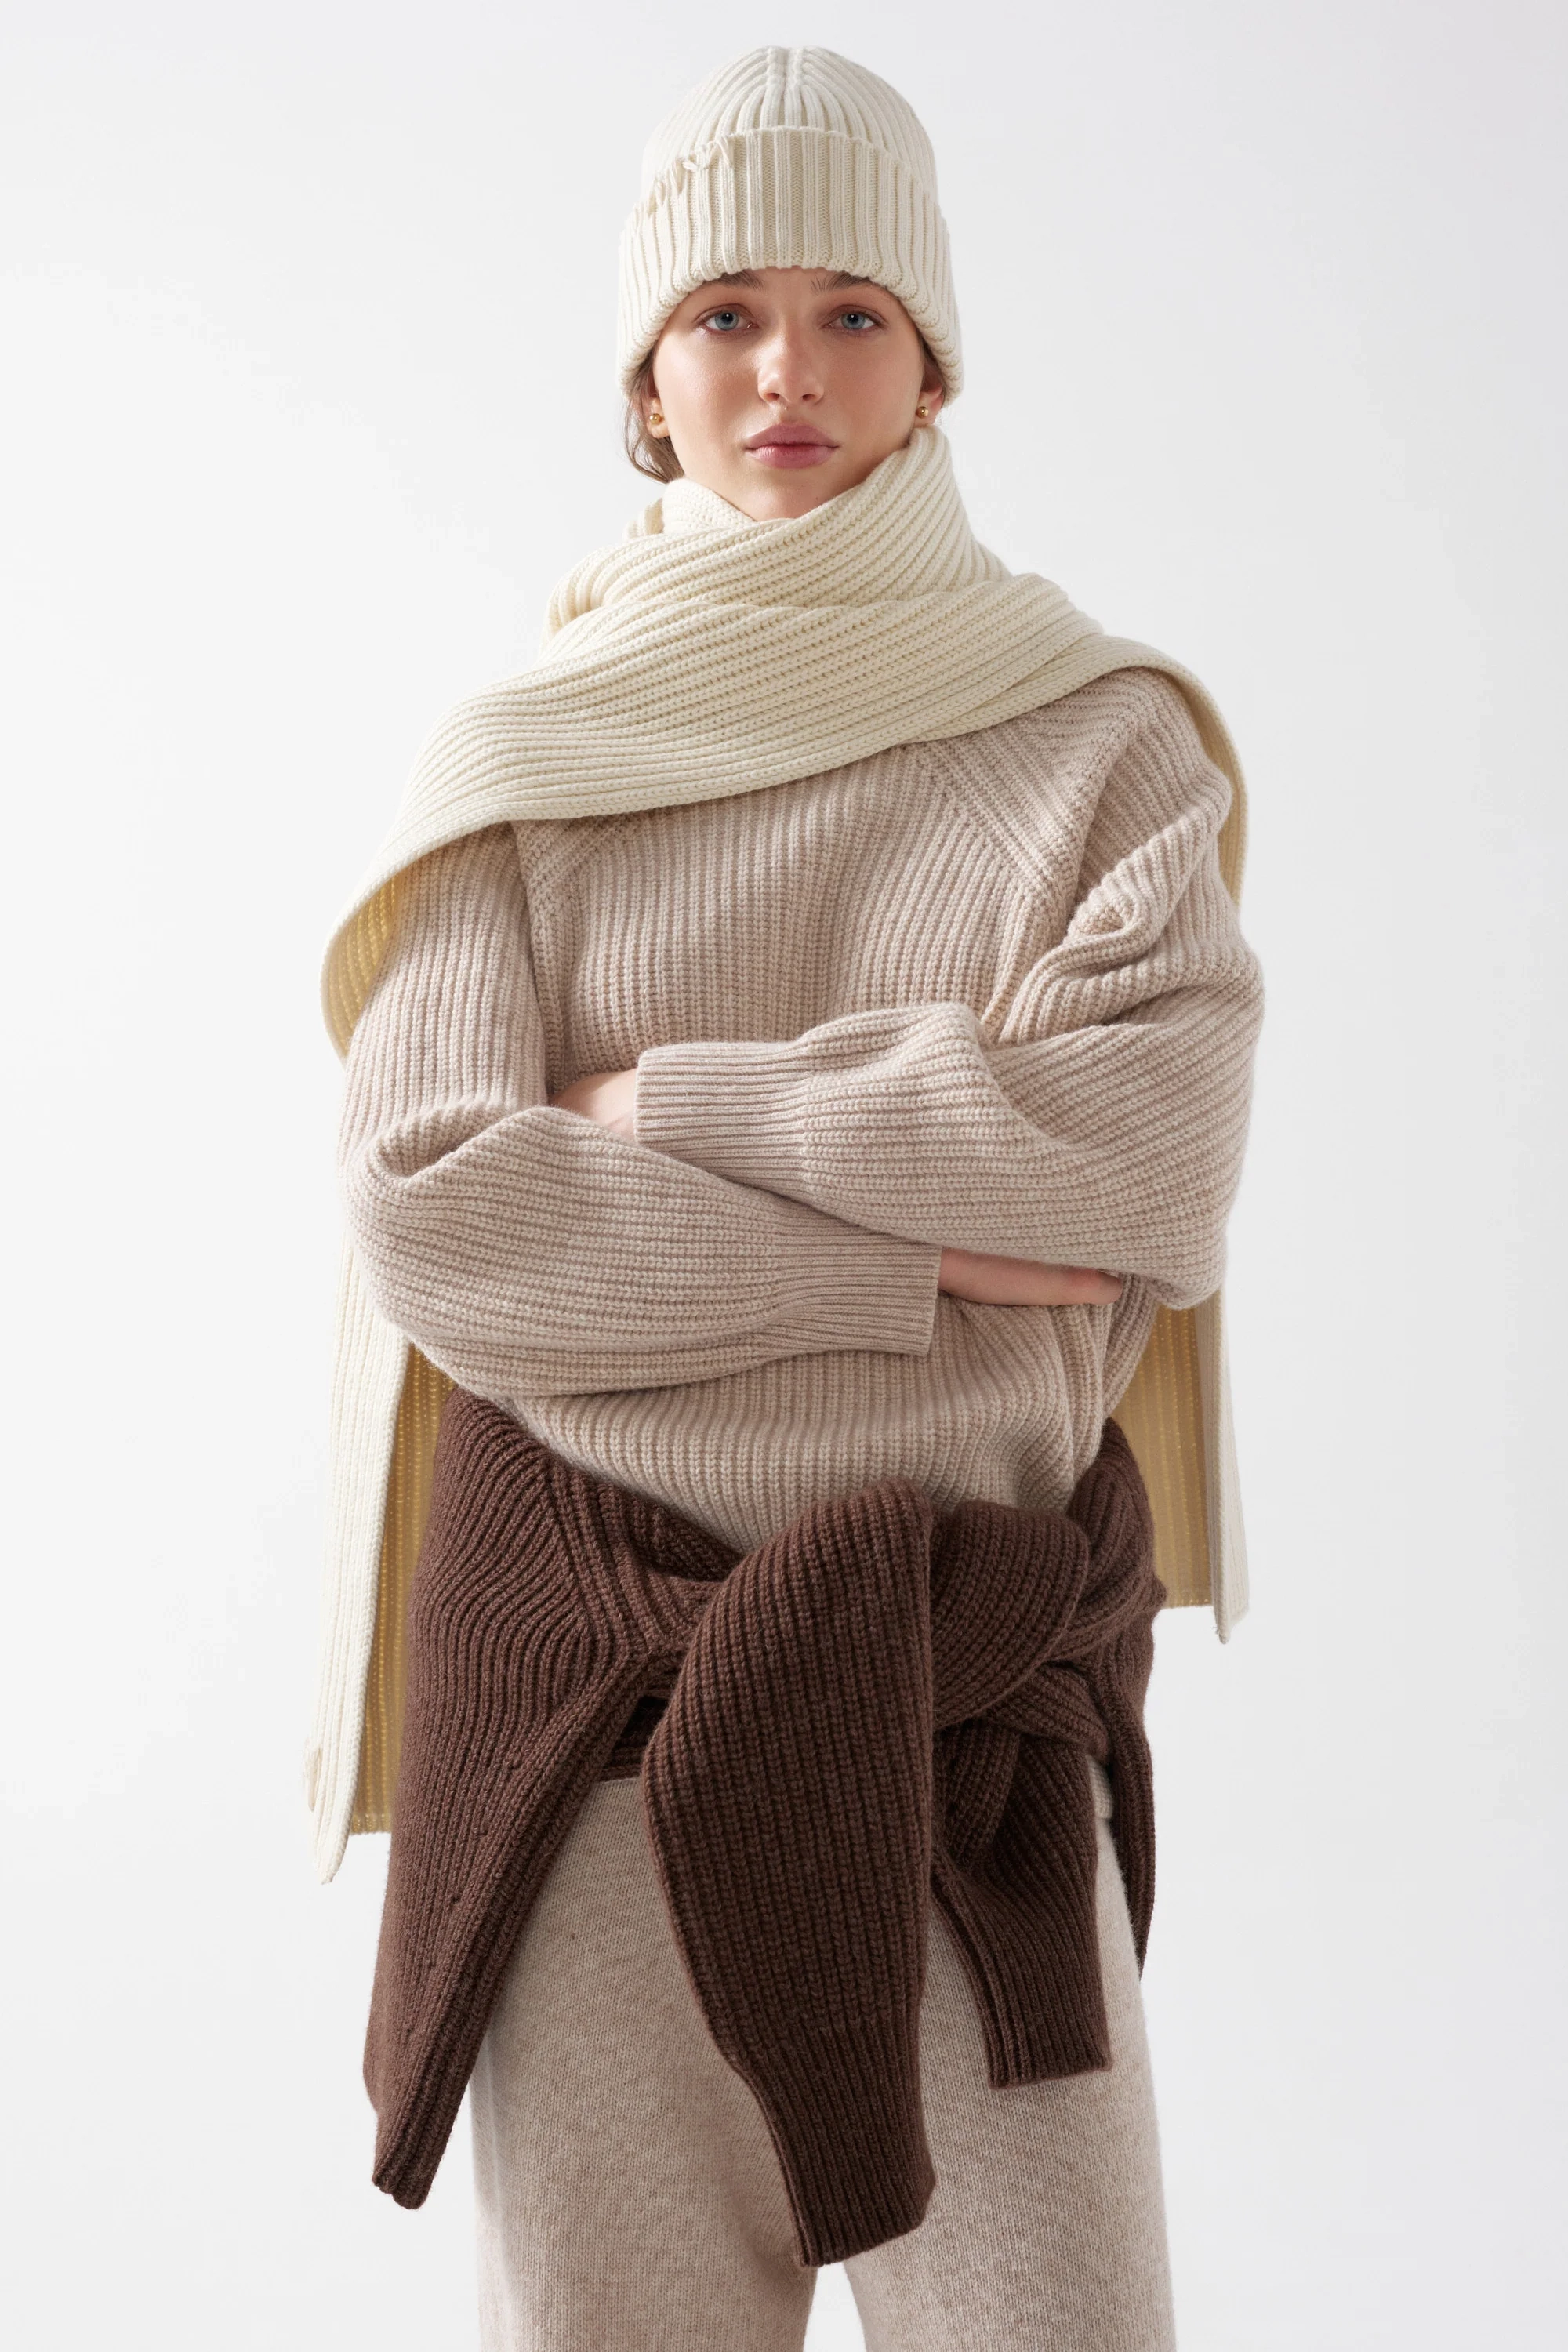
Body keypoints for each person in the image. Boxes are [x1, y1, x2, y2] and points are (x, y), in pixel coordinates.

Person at [308, 44, 1264, 2352]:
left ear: (935, 360)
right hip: (600, 1741)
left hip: (966, 1732)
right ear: (646, 374)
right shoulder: (522, 771)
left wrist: (663, 1107)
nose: (788, 370)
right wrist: (939, 1247)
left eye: (854, 312)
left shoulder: (1099, 739)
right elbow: (439, 1212)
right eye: (725, 311)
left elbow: (1149, 1156)